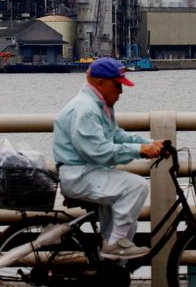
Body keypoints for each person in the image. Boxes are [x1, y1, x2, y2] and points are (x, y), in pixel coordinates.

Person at [53, 57, 164, 260]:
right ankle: (113, 246)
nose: (120, 93)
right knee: (136, 187)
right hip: (80, 175)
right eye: (117, 85)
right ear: (100, 82)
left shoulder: (99, 105)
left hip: (91, 173)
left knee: (125, 224)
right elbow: (99, 151)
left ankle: (110, 277)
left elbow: (118, 137)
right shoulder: (85, 110)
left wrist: (152, 143)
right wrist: (140, 150)